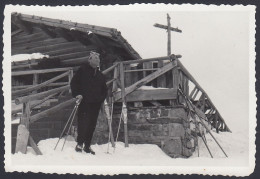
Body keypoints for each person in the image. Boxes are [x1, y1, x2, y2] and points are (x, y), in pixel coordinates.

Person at [70, 51, 108, 155]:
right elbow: (74, 83)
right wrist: (77, 94)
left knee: (92, 125)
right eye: (95, 58)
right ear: (89, 60)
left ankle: (87, 145)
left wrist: (100, 98)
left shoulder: (100, 75)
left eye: (98, 59)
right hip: (84, 102)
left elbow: (104, 90)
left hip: (95, 104)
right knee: (83, 123)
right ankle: (79, 144)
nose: (98, 60)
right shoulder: (83, 70)